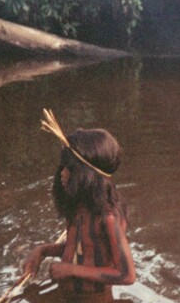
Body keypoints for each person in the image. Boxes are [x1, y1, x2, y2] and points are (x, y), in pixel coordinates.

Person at [24, 120, 136, 293]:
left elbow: (127, 275)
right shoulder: (77, 207)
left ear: (89, 176)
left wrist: (71, 270)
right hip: (72, 301)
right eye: (63, 167)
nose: (63, 173)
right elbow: (80, 247)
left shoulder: (108, 218)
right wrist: (42, 250)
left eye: (69, 168)